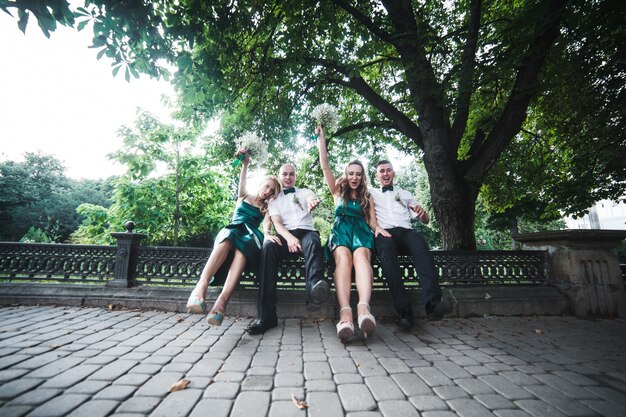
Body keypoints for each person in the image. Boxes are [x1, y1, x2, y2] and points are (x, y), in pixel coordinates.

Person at [186, 154, 281, 326]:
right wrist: (245, 164)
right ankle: (201, 286)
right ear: (260, 184)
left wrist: (267, 235)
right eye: (267, 186)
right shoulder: (244, 195)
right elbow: (242, 180)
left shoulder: (266, 208)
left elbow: (267, 226)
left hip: (250, 236)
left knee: (244, 247)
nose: (267, 191)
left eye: (272, 191)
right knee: (229, 235)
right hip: (233, 230)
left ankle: (222, 302)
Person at [316, 126, 390, 342]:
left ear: (363, 176)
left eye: (358, 174)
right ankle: (345, 314)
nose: (354, 177)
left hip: (361, 232)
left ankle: (364, 310)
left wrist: (380, 230)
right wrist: (322, 139)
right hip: (341, 232)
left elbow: (373, 223)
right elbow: (325, 167)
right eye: (351, 174)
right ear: (346, 175)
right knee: (343, 259)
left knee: (361, 257)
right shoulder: (337, 191)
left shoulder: (367, 196)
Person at [245, 163, 330, 335]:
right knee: (268, 247)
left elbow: (312, 197)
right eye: (285, 174)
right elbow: (276, 223)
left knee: (314, 240)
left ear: (296, 176)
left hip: (307, 233)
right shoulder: (274, 199)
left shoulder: (304, 192)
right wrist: (290, 238)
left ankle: (314, 291)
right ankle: (267, 316)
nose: (288, 177)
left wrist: (313, 201)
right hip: (285, 236)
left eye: (291, 174)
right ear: (280, 176)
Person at [371, 160, 453, 329]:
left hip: (406, 232)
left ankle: (433, 305)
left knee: (420, 243)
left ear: (394, 173)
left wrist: (423, 214)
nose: (385, 174)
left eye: (388, 170)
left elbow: (425, 220)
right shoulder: (371, 193)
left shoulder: (405, 193)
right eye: (382, 171)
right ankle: (405, 314)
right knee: (386, 255)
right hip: (384, 233)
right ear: (376, 176)